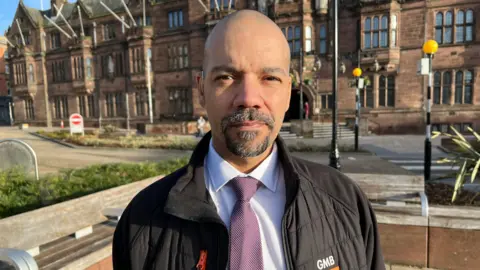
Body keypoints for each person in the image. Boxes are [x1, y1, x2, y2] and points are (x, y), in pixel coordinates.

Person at [112, 10, 385, 270]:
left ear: (288, 92)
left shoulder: (346, 202)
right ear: (201, 90)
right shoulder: (142, 221)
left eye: (270, 78)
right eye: (227, 77)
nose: (248, 98)